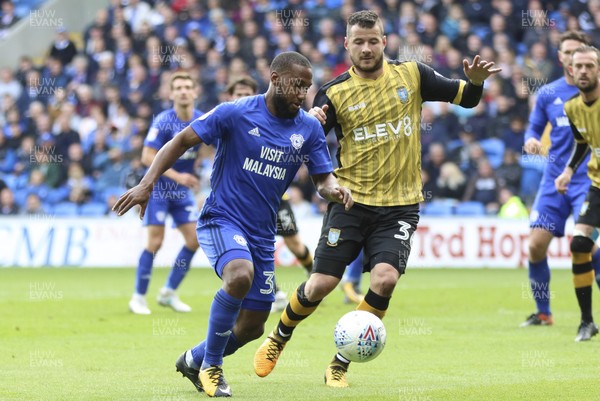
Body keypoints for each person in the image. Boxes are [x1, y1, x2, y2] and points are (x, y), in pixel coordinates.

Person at [253, 10, 500, 388]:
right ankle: (279, 337)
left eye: (373, 41)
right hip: (350, 201)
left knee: (384, 281)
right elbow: (303, 143)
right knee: (321, 284)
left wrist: (477, 83)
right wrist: (310, 123)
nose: (366, 48)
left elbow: (465, 98)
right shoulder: (333, 93)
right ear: (346, 44)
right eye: (359, 42)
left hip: (400, 205)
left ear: (384, 42)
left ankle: (339, 363)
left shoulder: (413, 75)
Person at [112, 52, 352, 397]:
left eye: (306, 87)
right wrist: (147, 183)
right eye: (296, 85)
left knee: (254, 325)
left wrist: (335, 190)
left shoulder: (309, 128)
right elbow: (180, 140)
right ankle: (212, 367)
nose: (302, 93)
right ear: (275, 78)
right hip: (221, 218)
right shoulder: (236, 112)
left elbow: (322, 180)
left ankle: (193, 359)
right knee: (239, 275)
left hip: (261, 231)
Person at [225, 76, 365, 309]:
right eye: (237, 94)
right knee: (247, 249)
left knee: (295, 245)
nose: (242, 98)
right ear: (230, 97)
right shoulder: (229, 121)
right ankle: (274, 292)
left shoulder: (265, 118)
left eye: (246, 93)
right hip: (241, 203)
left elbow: (288, 134)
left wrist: (307, 121)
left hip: (276, 199)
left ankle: (315, 278)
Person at [520, 31, 600, 327]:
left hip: (586, 182)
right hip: (554, 181)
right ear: (561, 58)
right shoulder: (548, 94)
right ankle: (543, 313)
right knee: (535, 246)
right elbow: (533, 128)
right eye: (567, 53)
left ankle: (588, 317)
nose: (572, 58)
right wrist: (530, 141)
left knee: (586, 246)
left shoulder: (593, 93)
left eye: (578, 53)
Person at [127, 71, 203, 315]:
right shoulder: (163, 120)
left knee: (194, 239)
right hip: (158, 188)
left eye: (187, 86)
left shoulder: (202, 119)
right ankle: (138, 297)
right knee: (155, 242)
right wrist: (178, 175)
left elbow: (207, 148)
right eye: (178, 87)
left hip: (182, 192)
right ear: (171, 93)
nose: (183, 90)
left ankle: (169, 292)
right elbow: (147, 156)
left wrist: (198, 173)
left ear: (194, 92)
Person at [555, 45, 600, 342]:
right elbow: (583, 141)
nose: (583, 71)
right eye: (578, 66)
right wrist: (569, 169)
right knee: (580, 242)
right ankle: (586, 321)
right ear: (570, 71)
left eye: (589, 66)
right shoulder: (572, 107)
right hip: (598, 184)